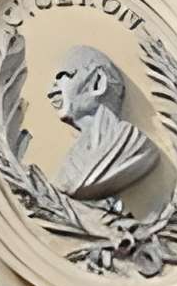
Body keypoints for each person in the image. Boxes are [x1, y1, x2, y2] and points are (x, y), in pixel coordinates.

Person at [46, 46, 157, 201]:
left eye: (62, 76)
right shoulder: (67, 170)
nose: (50, 90)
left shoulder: (136, 147)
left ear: (98, 82)